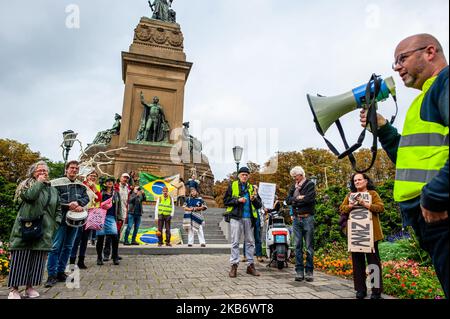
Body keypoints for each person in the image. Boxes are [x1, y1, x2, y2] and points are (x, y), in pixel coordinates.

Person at [360, 33, 448, 298]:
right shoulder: (426, 97)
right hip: (431, 220)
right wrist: (385, 130)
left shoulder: (445, 82)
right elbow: (410, 159)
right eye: (394, 63)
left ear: (429, 52)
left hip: (441, 214)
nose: (397, 67)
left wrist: (435, 196)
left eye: (402, 58)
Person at [7, 161, 62, 299]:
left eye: (45, 170)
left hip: (45, 230)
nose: (43, 172)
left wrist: (55, 224)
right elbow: (30, 197)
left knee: (37, 261)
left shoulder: (53, 190)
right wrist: (39, 182)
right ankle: (14, 289)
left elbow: (58, 209)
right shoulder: (27, 184)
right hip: (26, 227)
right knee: (21, 257)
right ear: (33, 172)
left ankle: (29, 287)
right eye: (39, 170)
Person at [45, 160, 89, 288]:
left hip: (75, 220)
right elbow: (53, 199)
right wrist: (67, 205)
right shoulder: (56, 183)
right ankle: (51, 275)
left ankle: (60, 271)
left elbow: (86, 198)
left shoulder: (80, 185)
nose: (74, 170)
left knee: (68, 247)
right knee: (55, 247)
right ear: (66, 170)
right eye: (72, 168)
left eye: (76, 168)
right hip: (61, 219)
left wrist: (79, 204)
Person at [339, 173, 385, 299]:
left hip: (370, 235)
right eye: (355, 181)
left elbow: (380, 207)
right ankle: (360, 290)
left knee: (373, 263)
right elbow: (341, 209)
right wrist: (350, 206)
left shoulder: (373, 194)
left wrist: (365, 204)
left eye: (359, 180)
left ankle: (376, 291)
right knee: (357, 263)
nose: (357, 182)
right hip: (355, 235)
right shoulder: (350, 195)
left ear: (366, 181)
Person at [223, 166, 262, 278]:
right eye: (242, 174)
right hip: (236, 217)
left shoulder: (252, 188)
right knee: (235, 242)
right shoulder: (233, 185)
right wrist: (237, 200)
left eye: (246, 175)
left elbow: (259, 205)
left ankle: (250, 266)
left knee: (250, 242)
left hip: (249, 218)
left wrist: (254, 199)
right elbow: (225, 201)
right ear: (239, 176)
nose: (244, 176)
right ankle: (234, 265)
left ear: (248, 176)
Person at [286, 166, 316, 282]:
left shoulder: (310, 185)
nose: (294, 179)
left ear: (301, 175)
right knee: (297, 246)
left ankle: (309, 271)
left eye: (296, 177)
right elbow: (288, 200)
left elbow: (309, 199)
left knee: (309, 247)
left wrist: (295, 199)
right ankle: (299, 271)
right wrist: (298, 198)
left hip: (307, 218)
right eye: (293, 177)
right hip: (296, 219)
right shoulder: (293, 186)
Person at [70, 169, 102, 269]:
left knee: (85, 238)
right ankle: (72, 260)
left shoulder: (95, 187)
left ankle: (81, 260)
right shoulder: (81, 185)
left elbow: (99, 199)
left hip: (90, 213)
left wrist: (94, 188)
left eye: (94, 176)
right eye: (91, 175)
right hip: (80, 213)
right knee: (76, 238)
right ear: (87, 176)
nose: (92, 177)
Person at [104, 172, 130, 261]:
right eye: (124, 177)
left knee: (117, 235)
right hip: (113, 214)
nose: (125, 179)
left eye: (127, 178)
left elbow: (126, 202)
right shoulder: (115, 188)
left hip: (122, 214)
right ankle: (106, 254)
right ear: (120, 178)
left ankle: (115, 254)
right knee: (109, 234)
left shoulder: (128, 188)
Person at [96, 176, 121, 265]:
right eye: (108, 181)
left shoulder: (116, 193)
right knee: (100, 238)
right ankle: (99, 257)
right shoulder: (101, 192)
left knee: (115, 237)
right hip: (101, 216)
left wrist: (119, 217)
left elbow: (119, 206)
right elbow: (96, 203)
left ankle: (115, 256)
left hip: (111, 217)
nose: (110, 183)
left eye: (111, 181)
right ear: (105, 183)